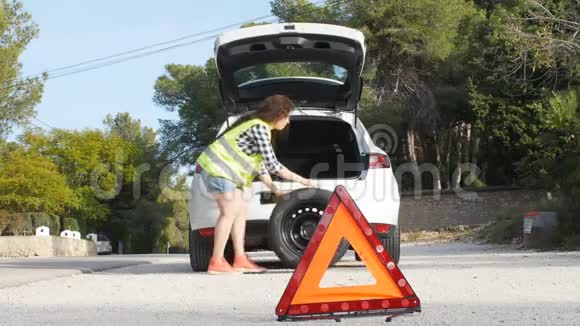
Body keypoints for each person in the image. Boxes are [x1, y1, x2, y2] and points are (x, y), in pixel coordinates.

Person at [195, 94, 318, 275]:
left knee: (241, 211)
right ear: (279, 113)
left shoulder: (259, 129)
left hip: (228, 174)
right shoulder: (260, 128)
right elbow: (274, 166)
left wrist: (275, 189)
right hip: (218, 170)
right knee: (228, 212)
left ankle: (240, 259)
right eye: (287, 116)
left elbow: (261, 168)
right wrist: (304, 180)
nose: (288, 122)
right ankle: (217, 261)